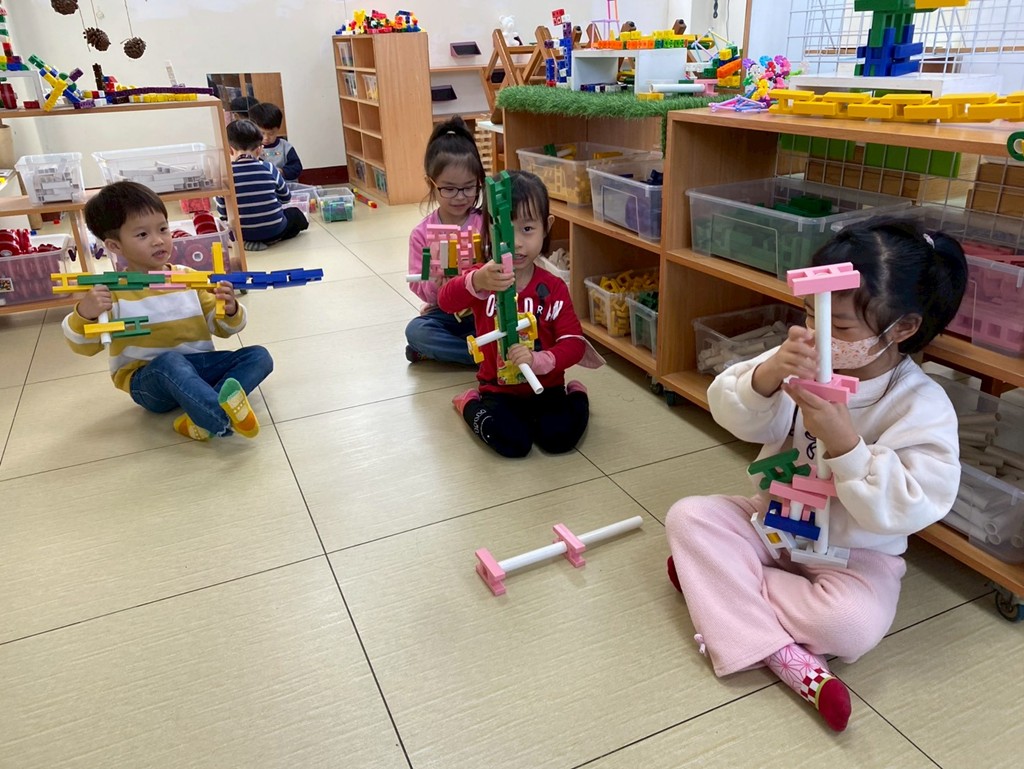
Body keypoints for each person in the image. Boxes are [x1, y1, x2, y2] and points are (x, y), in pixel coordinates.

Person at [664, 219, 968, 732]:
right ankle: (785, 655)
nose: (821, 334)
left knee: (850, 627)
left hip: (854, 556)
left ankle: (722, 588)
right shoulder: (802, 357)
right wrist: (766, 376)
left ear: (902, 328)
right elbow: (734, 414)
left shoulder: (921, 403)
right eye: (811, 312)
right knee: (688, 517)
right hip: (775, 522)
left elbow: (915, 503)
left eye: (841, 327)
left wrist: (847, 446)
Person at [64, 181, 273, 441]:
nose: (158, 240)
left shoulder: (189, 278)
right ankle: (219, 417)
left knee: (258, 356)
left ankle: (200, 416)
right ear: (115, 246)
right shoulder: (111, 291)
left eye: (163, 229)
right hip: (149, 380)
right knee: (170, 362)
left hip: (198, 369)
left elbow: (222, 328)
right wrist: (85, 313)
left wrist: (229, 310)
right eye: (142, 235)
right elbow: (84, 347)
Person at [439, 170, 602, 458]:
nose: (515, 242)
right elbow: (445, 302)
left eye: (527, 229)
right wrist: (476, 281)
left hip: (548, 386)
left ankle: (577, 394)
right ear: (488, 228)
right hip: (498, 390)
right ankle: (469, 403)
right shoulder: (484, 278)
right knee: (513, 444)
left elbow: (574, 343)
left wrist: (540, 360)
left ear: (546, 227)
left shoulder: (553, 288)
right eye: (503, 229)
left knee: (560, 439)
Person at [404, 116, 486, 365]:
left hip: (485, 309)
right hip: (447, 312)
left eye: (469, 187)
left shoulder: (486, 224)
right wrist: (436, 287)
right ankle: (481, 356)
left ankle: (465, 350)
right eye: (449, 189)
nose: (460, 197)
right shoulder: (421, 234)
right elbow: (418, 285)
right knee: (417, 331)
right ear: (431, 183)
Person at [215, 119, 308, 252]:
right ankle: (270, 240)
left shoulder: (225, 175)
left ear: (229, 150)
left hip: (241, 234)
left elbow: (223, 212)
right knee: (296, 215)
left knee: (221, 225)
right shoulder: (269, 168)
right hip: (274, 230)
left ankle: (246, 242)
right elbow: (286, 198)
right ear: (259, 150)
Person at [248, 102, 303, 182]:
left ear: (278, 129)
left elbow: (296, 168)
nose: (266, 138)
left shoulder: (285, 147)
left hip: (286, 185)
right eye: (262, 133)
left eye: (271, 133)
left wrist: (283, 172)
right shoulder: (251, 148)